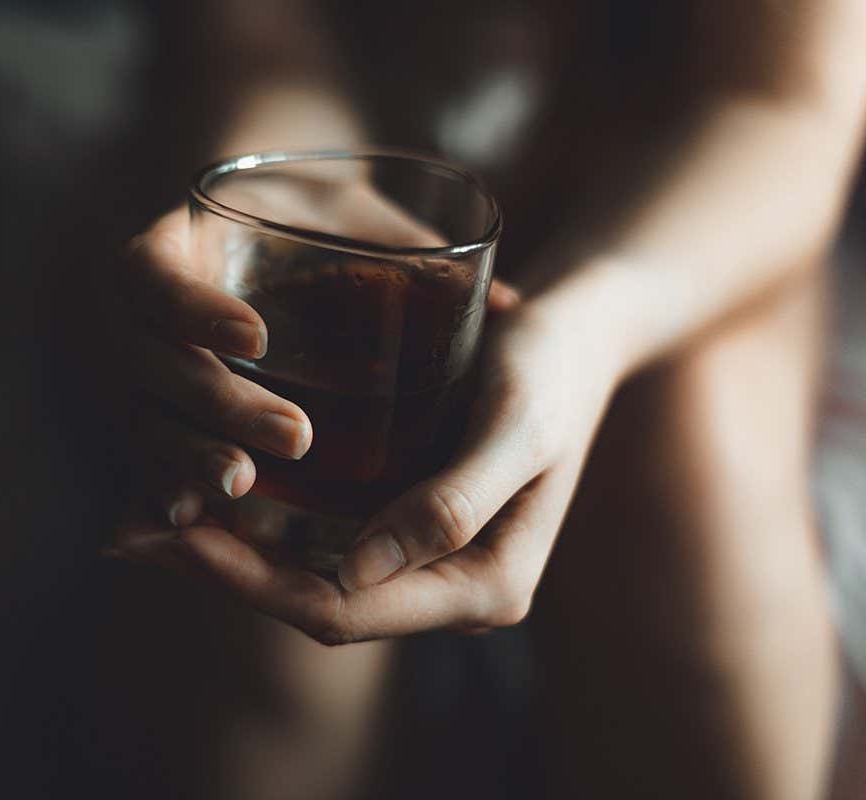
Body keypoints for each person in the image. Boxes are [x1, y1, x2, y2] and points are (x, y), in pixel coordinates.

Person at [103, 1, 866, 798]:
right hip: (340, 119)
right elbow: (254, 33)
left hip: (677, 182)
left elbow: (779, 101)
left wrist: (590, 327)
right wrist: (289, 193)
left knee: (695, 511)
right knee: (264, 592)